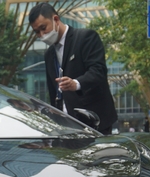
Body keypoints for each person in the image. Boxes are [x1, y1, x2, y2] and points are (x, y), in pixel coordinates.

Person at [29, 2, 117, 135]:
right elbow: (53, 92)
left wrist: (76, 84)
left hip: (94, 122)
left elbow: (98, 71)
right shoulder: (49, 55)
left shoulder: (85, 38)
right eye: (37, 32)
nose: (42, 35)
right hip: (66, 127)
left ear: (56, 19)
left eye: (43, 28)